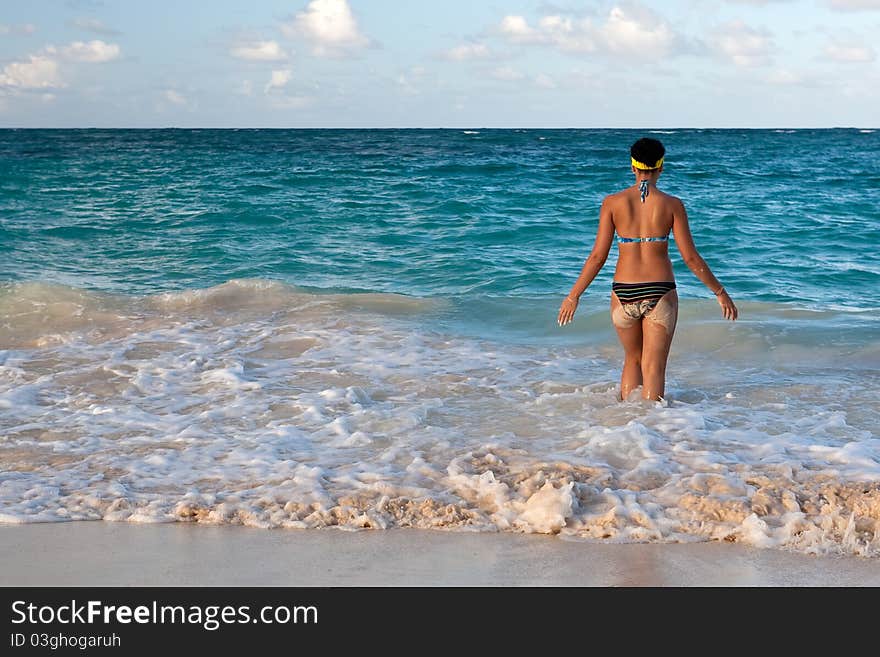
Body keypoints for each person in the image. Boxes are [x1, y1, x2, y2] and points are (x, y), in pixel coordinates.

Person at [556, 137, 738, 402]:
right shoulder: (672, 204)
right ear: (661, 167)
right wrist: (719, 292)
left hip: (623, 294)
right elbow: (690, 258)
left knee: (632, 360)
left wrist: (573, 296)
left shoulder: (612, 203)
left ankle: (627, 428)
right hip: (660, 292)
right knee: (654, 367)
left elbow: (597, 257)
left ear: (632, 166)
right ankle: (655, 431)